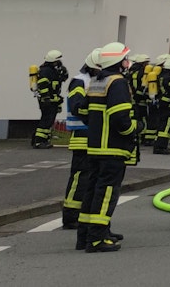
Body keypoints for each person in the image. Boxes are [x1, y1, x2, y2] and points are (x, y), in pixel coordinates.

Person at [79, 42, 139, 253]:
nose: (128, 62)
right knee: (106, 193)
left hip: (95, 147)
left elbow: (85, 112)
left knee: (92, 190)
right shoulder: (118, 83)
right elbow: (120, 118)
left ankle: (86, 235)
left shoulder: (97, 81)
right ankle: (96, 239)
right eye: (125, 58)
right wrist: (133, 129)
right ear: (118, 61)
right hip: (112, 148)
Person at [62, 49, 98, 231]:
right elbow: (77, 105)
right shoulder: (79, 81)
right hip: (81, 134)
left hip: (93, 135)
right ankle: (70, 216)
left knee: (89, 178)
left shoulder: (92, 80)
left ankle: (82, 213)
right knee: (80, 178)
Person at [32, 50, 69, 148]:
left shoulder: (53, 70)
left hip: (53, 100)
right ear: (53, 60)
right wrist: (46, 98)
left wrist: (63, 72)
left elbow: (62, 79)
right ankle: (39, 142)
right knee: (46, 121)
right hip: (47, 101)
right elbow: (43, 84)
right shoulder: (46, 71)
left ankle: (42, 140)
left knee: (48, 121)